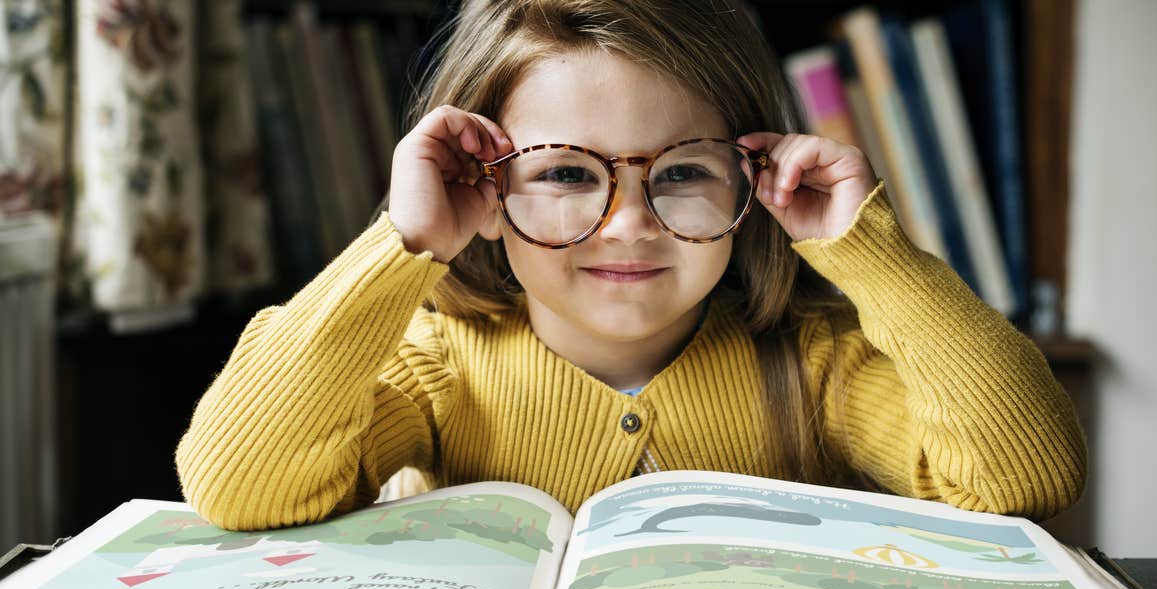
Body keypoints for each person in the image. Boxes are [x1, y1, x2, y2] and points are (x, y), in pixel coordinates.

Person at [175, 0, 1086, 532]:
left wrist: (875, 257)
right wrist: (405, 245)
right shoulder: (433, 364)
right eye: (568, 173)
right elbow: (236, 483)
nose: (627, 223)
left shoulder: (813, 361)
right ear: (480, 191)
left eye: (682, 172)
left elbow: (1025, 476)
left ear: (754, 179)